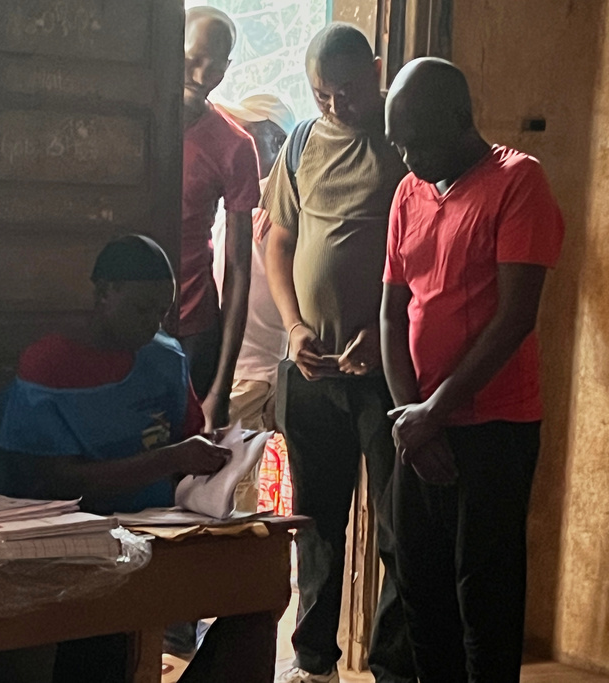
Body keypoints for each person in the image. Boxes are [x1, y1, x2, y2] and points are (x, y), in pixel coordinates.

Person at [0, 235, 279, 683]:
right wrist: (166, 459)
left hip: (163, 528)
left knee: (259, 584)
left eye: (162, 312)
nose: (153, 323)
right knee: (98, 640)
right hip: (81, 539)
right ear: (102, 294)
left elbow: (187, 438)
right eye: (141, 310)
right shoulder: (50, 364)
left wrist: (218, 455)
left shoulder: (164, 356)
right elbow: (54, 481)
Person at [381, 58, 565, 682]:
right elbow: (392, 310)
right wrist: (413, 418)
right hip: (422, 427)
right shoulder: (409, 192)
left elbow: (515, 319)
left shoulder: (518, 183)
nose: (407, 159)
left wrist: (435, 414)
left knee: (483, 596)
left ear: (461, 121)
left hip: (495, 427)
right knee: (420, 591)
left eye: (417, 142)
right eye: (397, 143)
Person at [263, 24, 414, 683]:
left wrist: (387, 340)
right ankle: (314, 661)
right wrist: (294, 328)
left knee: (400, 526)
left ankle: (392, 664)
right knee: (317, 523)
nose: (335, 106)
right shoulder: (300, 143)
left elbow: (431, 258)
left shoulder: (409, 138)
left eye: (348, 91)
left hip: (388, 371)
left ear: (377, 72)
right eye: (321, 94)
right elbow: (279, 242)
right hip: (311, 369)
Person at [179, 6, 260, 433]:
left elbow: (239, 268)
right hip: (127, 326)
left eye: (217, 62)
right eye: (194, 56)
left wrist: (221, 388)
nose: (203, 72)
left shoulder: (234, 146)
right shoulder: (136, 127)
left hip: (195, 330)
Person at [212, 94, 294, 432]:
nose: (236, 146)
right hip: (237, 371)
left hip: (252, 374)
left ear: (277, 141)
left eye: (247, 135)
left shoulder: (284, 209)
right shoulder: (241, 206)